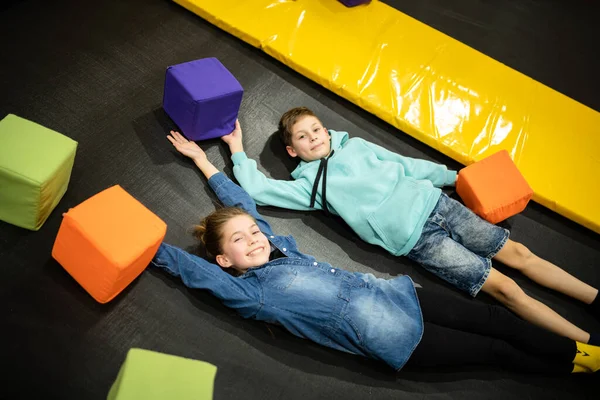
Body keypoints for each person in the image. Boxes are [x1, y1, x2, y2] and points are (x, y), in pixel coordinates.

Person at [158, 130, 600, 374]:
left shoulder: (278, 248)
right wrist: (143, 245)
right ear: (224, 262)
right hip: (397, 339)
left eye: (252, 232)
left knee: (497, 319)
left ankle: (584, 351)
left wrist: (203, 160)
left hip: (398, 294)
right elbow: (188, 267)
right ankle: (574, 365)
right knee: (495, 351)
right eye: (240, 241)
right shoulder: (251, 294)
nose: (254, 238)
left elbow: (245, 206)